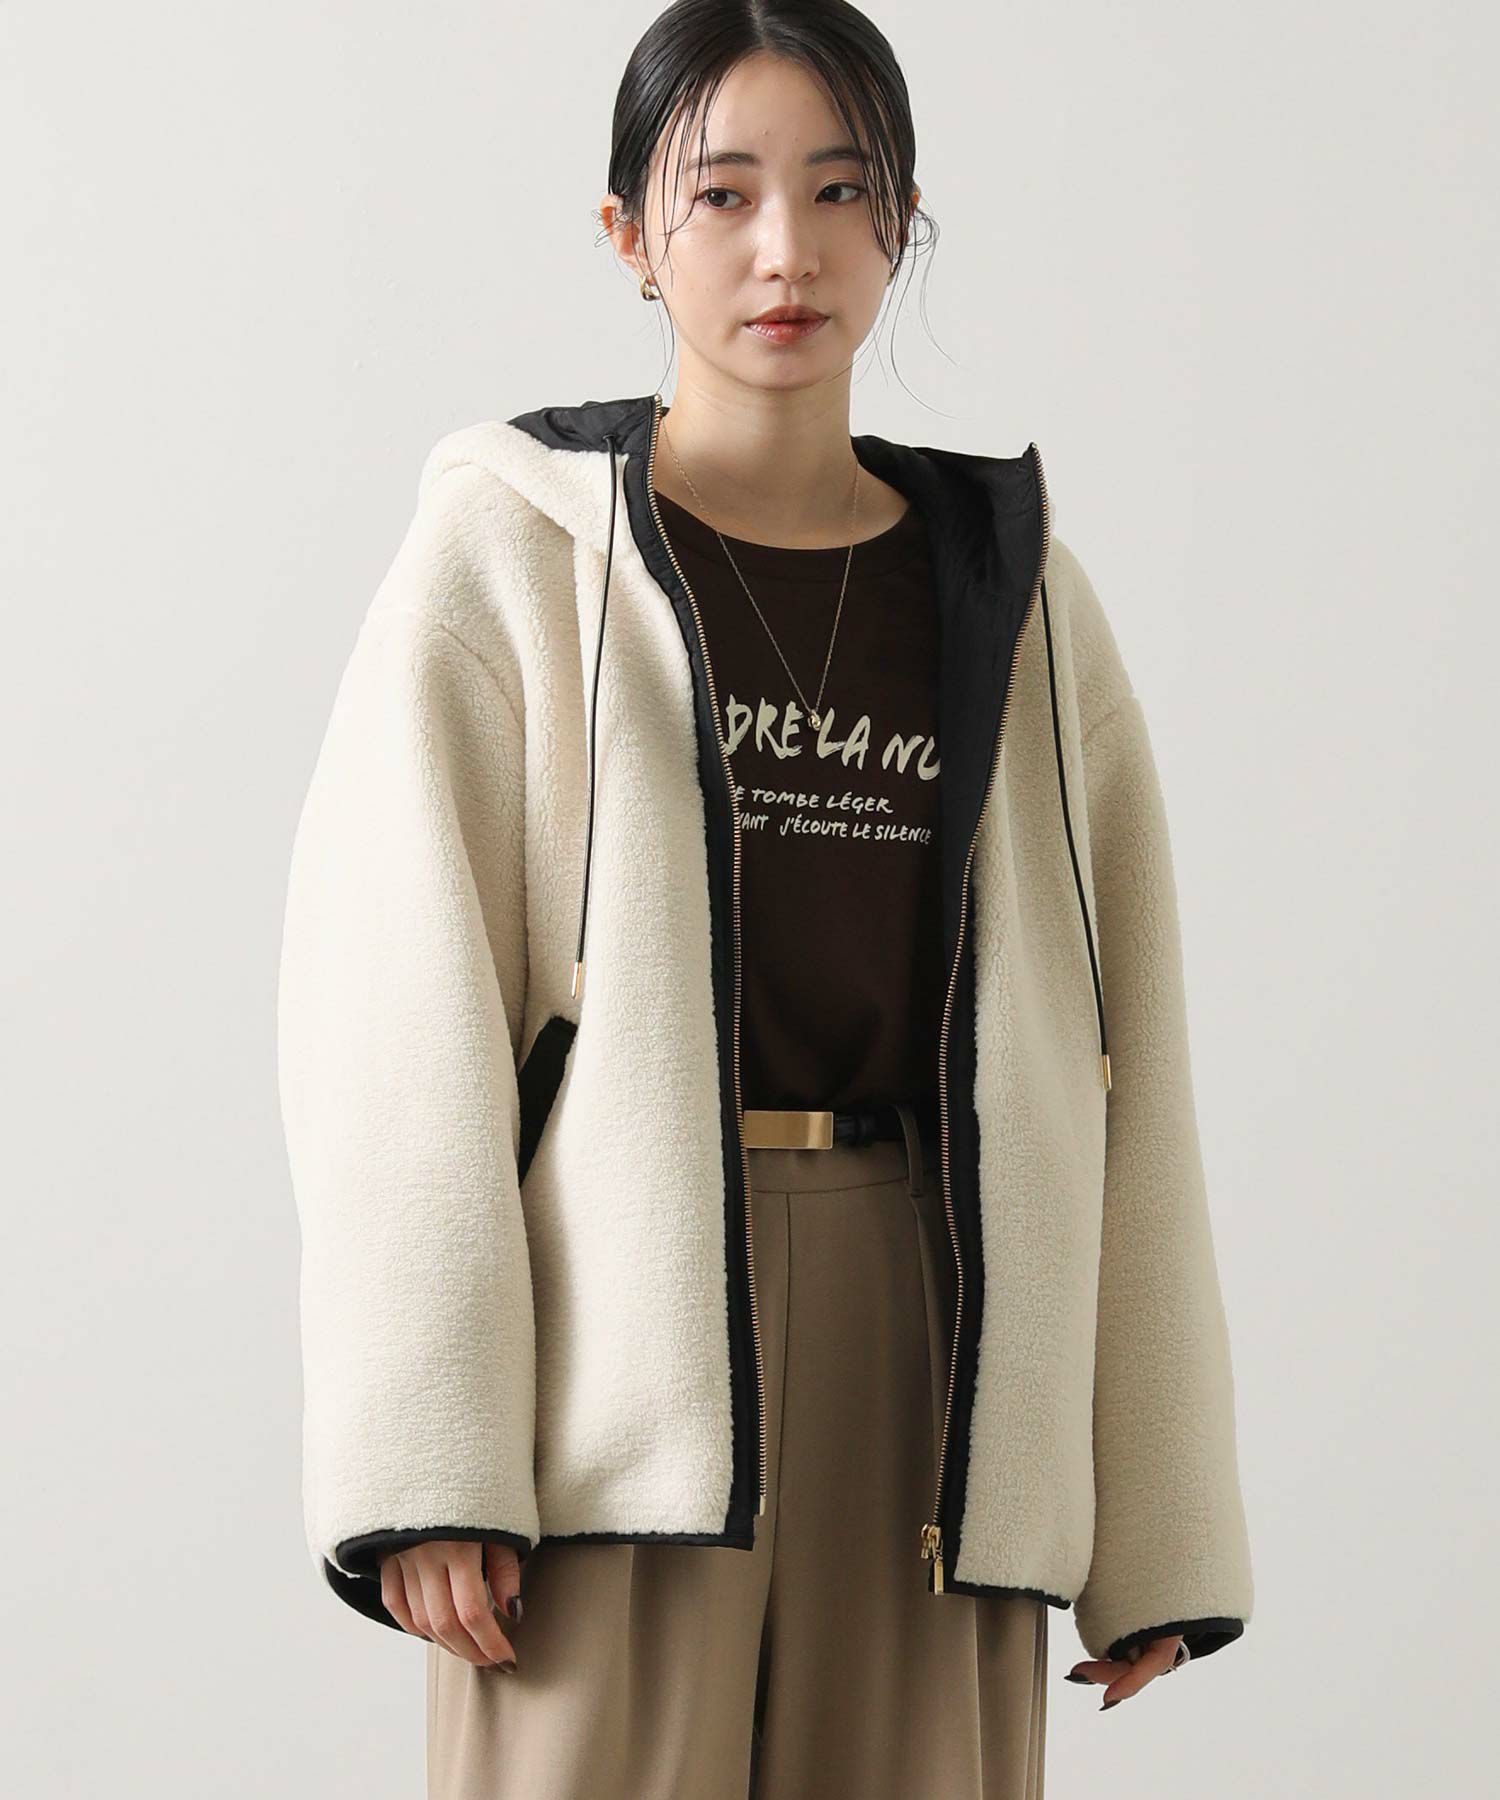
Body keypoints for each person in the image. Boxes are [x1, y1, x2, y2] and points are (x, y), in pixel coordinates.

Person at [276, 2, 1254, 1794]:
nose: (786, 249)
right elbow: (394, 1027)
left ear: (902, 223)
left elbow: (1127, 1056)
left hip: (935, 1337)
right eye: (720, 194)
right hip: (614, 1345)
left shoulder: (1016, 598)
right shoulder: (513, 559)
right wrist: (428, 1462)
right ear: (629, 235)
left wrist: (1157, 1515)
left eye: (840, 190)